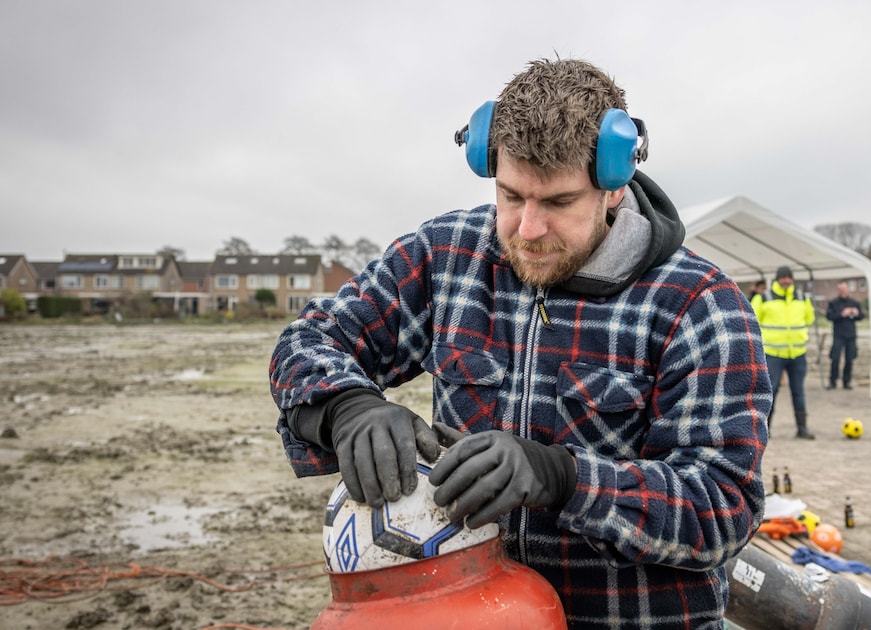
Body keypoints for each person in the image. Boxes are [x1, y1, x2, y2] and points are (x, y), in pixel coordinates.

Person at [268, 58, 772, 628]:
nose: (527, 229)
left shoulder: (698, 304)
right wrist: (345, 407)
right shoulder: (446, 256)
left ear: (612, 187)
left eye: (558, 202)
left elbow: (723, 507)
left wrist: (565, 479)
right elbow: (308, 341)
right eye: (511, 195)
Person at [752, 265, 817, 439]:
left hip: (798, 353)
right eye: (783, 277)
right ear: (777, 279)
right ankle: (765, 429)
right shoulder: (763, 298)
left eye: (789, 277)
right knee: (770, 391)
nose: (786, 280)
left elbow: (809, 318)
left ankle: (802, 428)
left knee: (798, 391)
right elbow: (752, 321)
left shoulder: (802, 298)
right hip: (773, 354)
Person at [825, 280, 865, 390]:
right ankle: (833, 381)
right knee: (835, 358)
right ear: (838, 290)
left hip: (851, 334)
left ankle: (846, 381)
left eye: (844, 289)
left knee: (849, 358)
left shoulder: (854, 302)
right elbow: (829, 316)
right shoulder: (833, 303)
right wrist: (841, 314)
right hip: (838, 334)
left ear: (848, 290)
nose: (843, 291)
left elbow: (861, 316)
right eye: (841, 289)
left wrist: (856, 314)